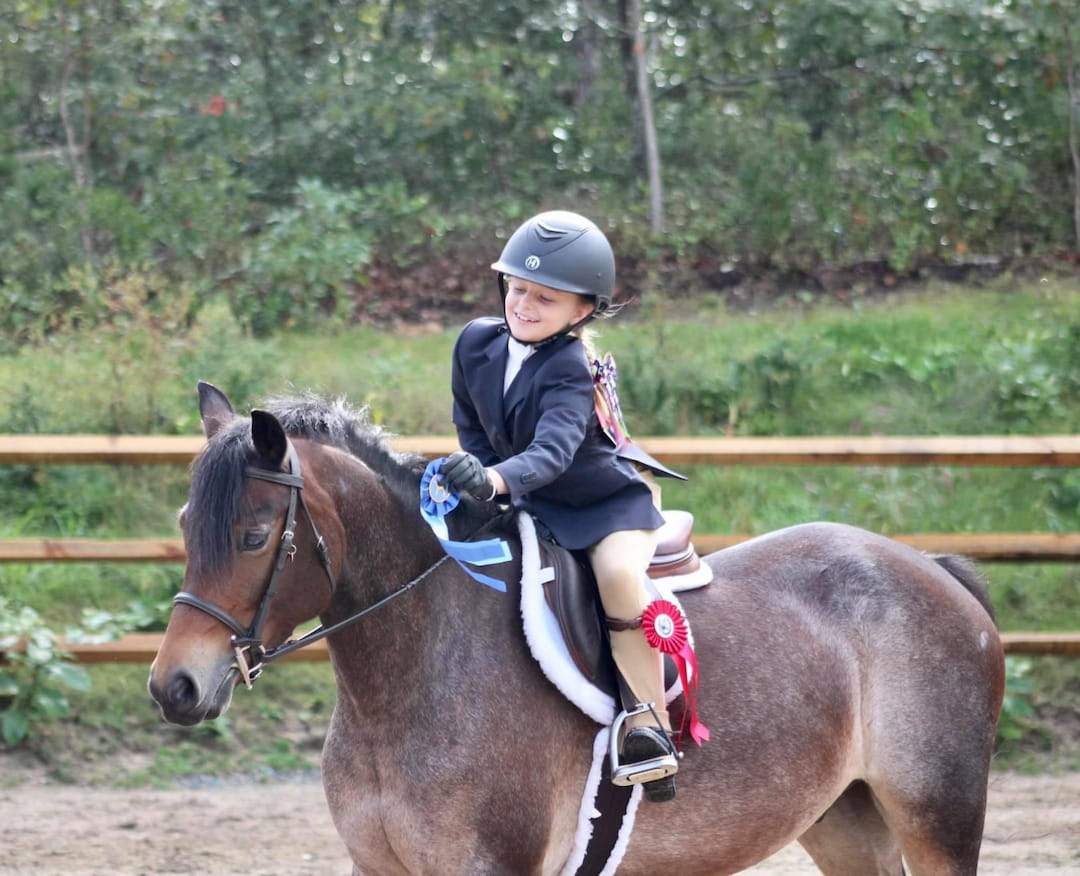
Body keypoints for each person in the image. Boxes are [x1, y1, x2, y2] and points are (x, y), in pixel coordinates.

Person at [442, 209, 682, 802]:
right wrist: (477, 474)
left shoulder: (570, 367)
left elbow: (551, 454)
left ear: (581, 311)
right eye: (516, 289)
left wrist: (494, 481)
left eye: (544, 299)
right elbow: (471, 426)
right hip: (525, 500)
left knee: (620, 578)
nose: (522, 305)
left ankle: (650, 729)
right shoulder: (475, 342)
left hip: (602, 506)